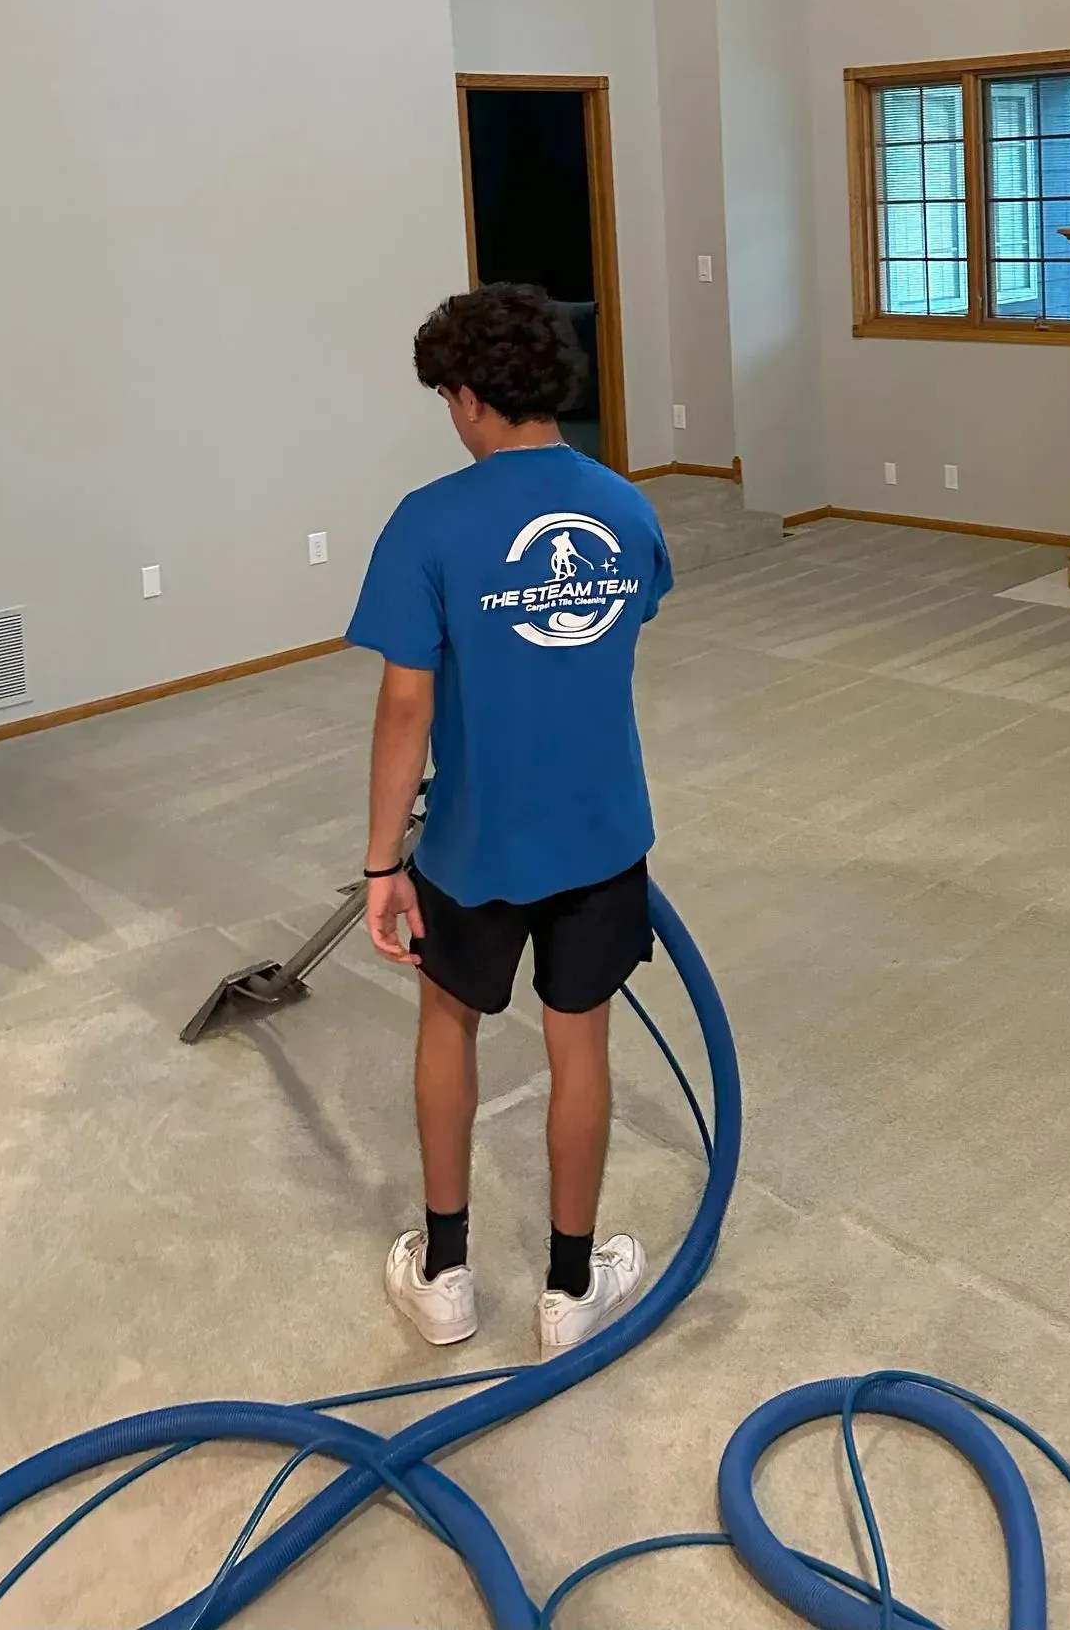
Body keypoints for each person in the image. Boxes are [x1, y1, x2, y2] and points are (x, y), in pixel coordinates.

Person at [347, 281, 672, 1358]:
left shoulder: (430, 521)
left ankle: (444, 1276)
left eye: (448, 395)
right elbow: (611, 639)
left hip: (473, 842)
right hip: (600, 833)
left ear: (473, 396)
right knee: (579, 1046)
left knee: (449, 1026)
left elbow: (408, 701)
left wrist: (381, 860)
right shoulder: (627, 509)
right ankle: (571, 1291)